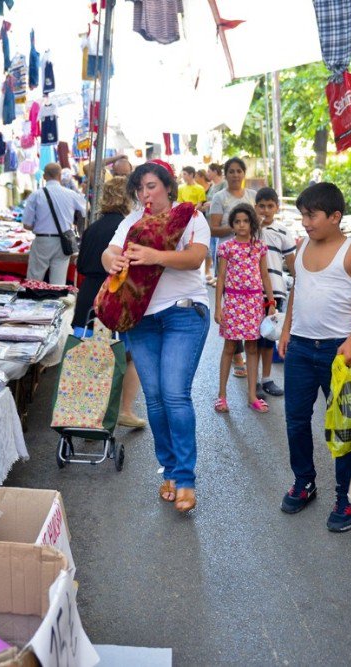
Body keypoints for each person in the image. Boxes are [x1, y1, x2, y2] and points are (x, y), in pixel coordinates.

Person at [102, 161, 210, 512]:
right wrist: (112, 262)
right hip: (142, 319)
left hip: (184, 312)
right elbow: (109, 251)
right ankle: (170, 469)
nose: (145, 194)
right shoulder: (130, 222)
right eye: (140, 189)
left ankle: (186, 478)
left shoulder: (191, 217)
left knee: (175, 394)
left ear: (167, 186)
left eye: (151, 186)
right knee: (155, 398)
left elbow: (195, 259)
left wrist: (154, 256)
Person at [275, 182, 351, 533]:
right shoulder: (301, 248)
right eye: (302, 214)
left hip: (339, 353)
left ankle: (346, 497)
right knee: (296, 421)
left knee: (345, 427)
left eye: (311, 215)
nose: (305, 222)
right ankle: (304, 481)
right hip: (301, 348)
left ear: (335, 216)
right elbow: (297, 292)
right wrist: (287, 330)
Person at [72, 177, 146, 429]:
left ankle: (84, 412)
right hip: (114, 297)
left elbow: (80, 265)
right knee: (128, 356)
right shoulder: (129, 228)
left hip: (88, 300)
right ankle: (123, 410)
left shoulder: (93, 228)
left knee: (87, 355)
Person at [214, 204, 275, 414]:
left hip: (254, 303)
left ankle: (251, 396)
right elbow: (220, 277)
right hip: (232, 301)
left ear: (252, 224)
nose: (241, 225)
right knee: (229, 348)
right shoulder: (226, 248)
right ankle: (221, 396)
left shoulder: (259, 247)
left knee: (252, 348)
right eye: (237, 221)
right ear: (232, 224)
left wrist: (271, 302)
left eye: (245, 221)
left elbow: (265, 275)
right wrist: (218, 307)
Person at [210, 157, 257, 376]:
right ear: (226, 174)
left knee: (248, 301)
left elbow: (258, 225)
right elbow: (213, 229)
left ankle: (249, 345)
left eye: (239, 171)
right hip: (228, 254)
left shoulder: (253, 196)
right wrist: (236, 229)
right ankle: (237, 354)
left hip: (250, 256)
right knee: (232, 302)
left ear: (243, 174)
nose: (235, 175)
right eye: (231, 171)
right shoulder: (219, 197)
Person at [255, 187, 294, 397]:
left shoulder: (283, 231)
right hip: (251, 291)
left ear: (277, 208)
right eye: (261, 206)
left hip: (275, 290)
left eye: (270, 206)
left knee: (269, 334)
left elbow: (292, 262)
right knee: (252, 337)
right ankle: (254, 382)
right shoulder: (249, 230)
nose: (266, 210)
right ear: (255, 207)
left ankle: (267, 378)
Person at [22, 163, 87, 284]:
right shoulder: (71, 194)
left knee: (34, 280)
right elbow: (86, 210)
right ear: (60, 175)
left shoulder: (36, 195)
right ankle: (55, 302)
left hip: (42, 241)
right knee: (58, 282)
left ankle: (31, 302)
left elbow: (27, 225)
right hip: (64, 241)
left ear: (45, 176)